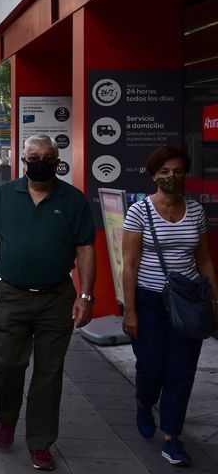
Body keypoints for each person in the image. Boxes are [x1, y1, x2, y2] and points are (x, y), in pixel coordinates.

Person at [0, 133, 95, 472]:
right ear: (23, 161)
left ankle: (40, 441)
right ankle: (6, 417)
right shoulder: (4, 196)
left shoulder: (73, 200)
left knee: (49, 374)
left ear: (57, 160)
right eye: (34, 157)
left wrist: (86, 295)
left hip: (56, 298)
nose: (40, 163)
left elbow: (85, 250)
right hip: (12, 295)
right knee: (7, 364)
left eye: (47, 158)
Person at [120, 145, 218, 467]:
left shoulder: (196, 211)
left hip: (188, 301)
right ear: (153, 176)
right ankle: (144, 402)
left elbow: (203, 259)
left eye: (177, 171)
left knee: (181, 372)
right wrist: (130, 311)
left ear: (185, 174)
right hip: (149, 302)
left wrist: (214, 300)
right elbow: (130, 264)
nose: (171, 177)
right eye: (164, 172)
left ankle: (171, 437)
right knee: (151, 367)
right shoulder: (139, 212)